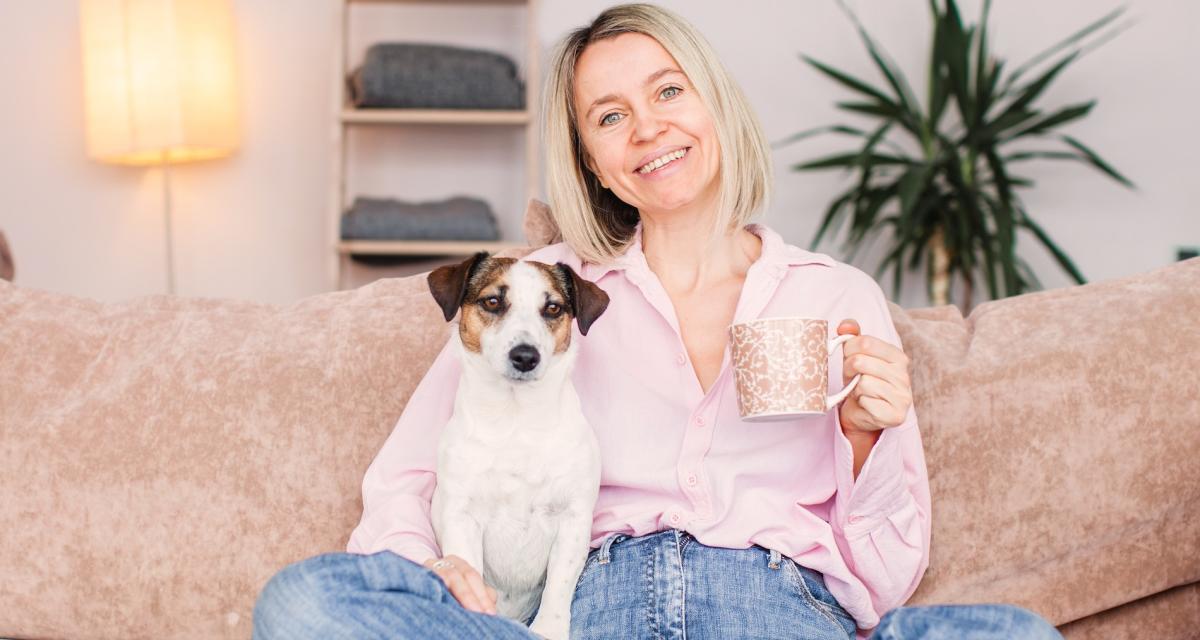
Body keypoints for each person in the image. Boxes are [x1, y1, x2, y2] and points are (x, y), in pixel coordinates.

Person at [253, 4, 1062, 639]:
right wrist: (438, 569)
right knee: (303, 603)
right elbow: (406, 478)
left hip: (774, 605)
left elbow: (887, 576)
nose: (647, 129)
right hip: (584, 608)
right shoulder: (550, 293)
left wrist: (863, 437)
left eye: (669, 91)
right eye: (609, 117)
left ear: (713, 103)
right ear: (591, 159)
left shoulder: (836, 296)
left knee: (1014, 635)